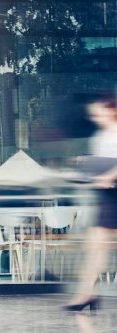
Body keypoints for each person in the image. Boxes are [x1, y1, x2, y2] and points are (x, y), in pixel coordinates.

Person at [64, 96, 117, 311]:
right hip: (107, 198)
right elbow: (97, 166)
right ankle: (87, 294)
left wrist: (109, 177)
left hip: (111, 192)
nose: (95, 118)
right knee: (95, 247)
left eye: (98, 113)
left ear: (112, 110)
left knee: (98, 247)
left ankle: (87, 295)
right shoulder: (99, 137)